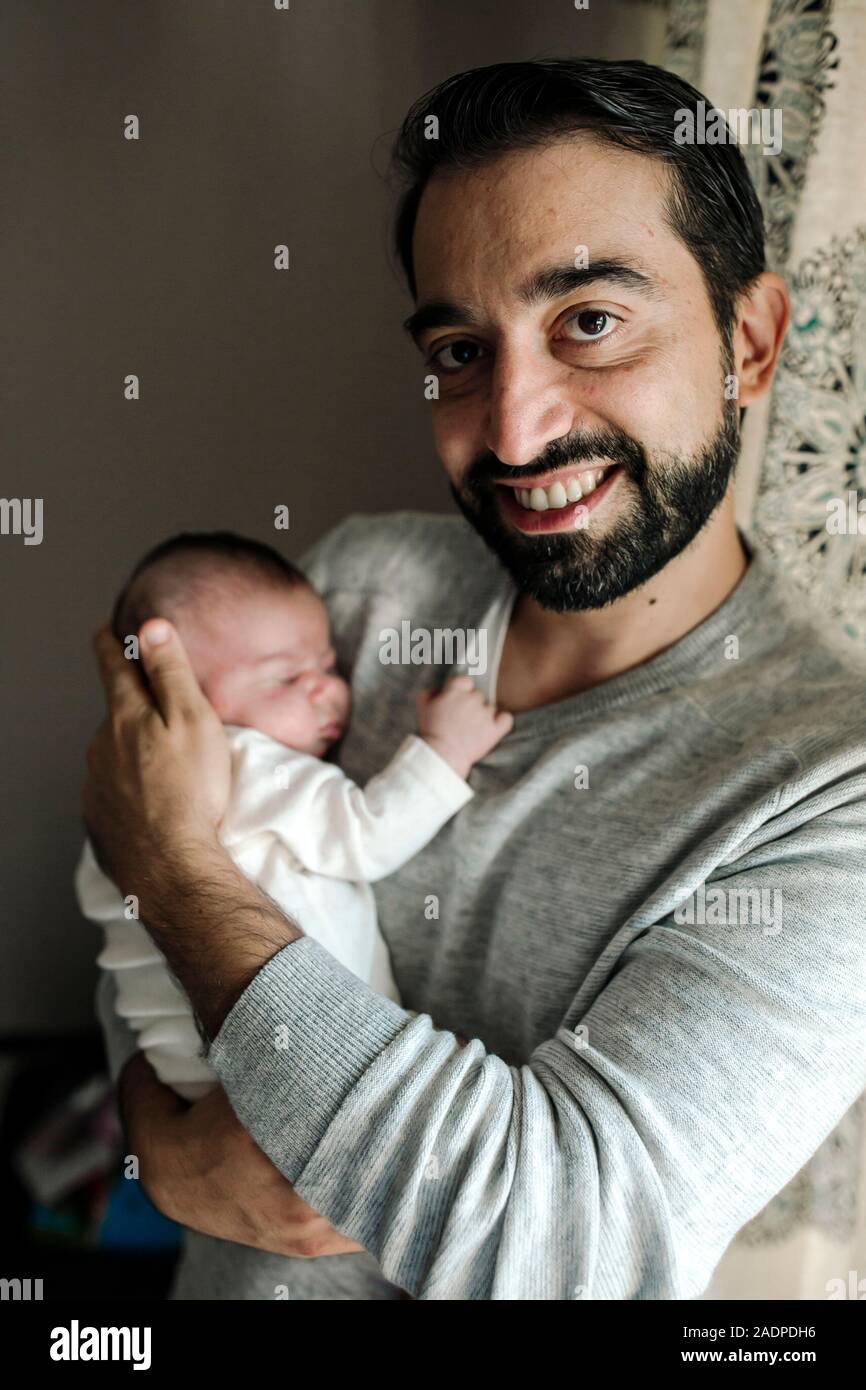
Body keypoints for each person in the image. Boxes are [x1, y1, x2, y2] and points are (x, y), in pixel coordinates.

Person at [84, 58, 866, 1300]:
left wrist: (172, 865)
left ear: (751, 341)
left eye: (588, 321)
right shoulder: (354, 591)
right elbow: (138, 976)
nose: (510, 430)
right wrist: (161, 1147)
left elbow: (559, 1245)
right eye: (459, 347)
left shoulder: (829, 794)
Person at [77, 530, 508, 1100]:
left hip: (182, 1072)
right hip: (283, 1066)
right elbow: (368, 835)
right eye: (285, 676)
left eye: (327, 665)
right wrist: (444, 752)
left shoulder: (126, 796)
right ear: (176, 689)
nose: (327, 690)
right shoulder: (251, 762)